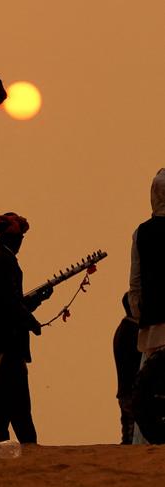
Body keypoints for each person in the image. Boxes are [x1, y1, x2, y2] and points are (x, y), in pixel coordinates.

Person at [0, 212, 51, 444]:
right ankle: (29, 452)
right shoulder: (3, 261)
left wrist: (37, 301)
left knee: (2, 404)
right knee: (19, 406)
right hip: (5, 345)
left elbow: (10, 302)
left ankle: (1, 448)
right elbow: (9, 304)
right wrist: (32, 323)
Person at [128, 168, 165, 443]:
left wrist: (140, 314)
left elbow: (135, 283)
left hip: (153, 324)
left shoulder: (141, 233)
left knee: (150, 387)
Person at [112, 292, 142, 444]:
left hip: (126, 391)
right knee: (131, 438)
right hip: (131, 392)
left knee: (129, 435)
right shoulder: (131, 331)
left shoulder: (124, 328)